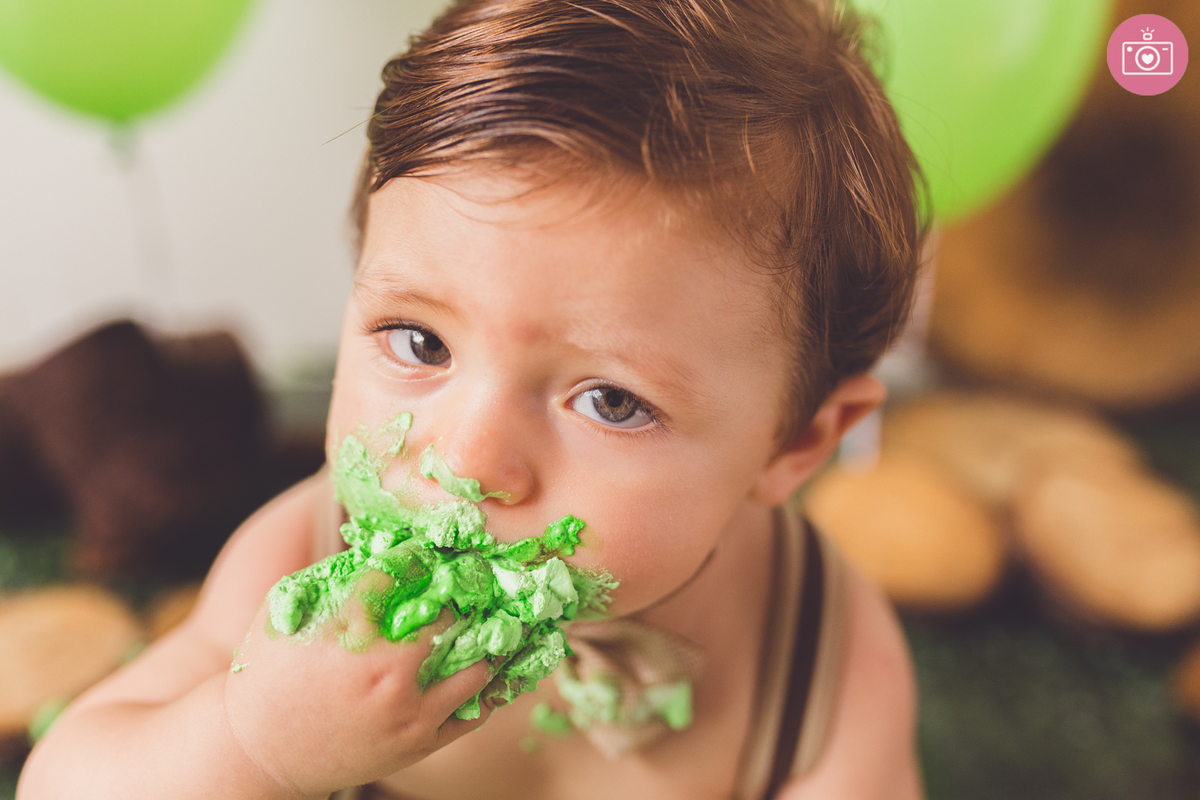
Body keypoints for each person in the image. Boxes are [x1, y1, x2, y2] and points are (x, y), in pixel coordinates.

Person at [18, 0, 928, 797]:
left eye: (611, 401)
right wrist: (252, 745)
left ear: (795, 444)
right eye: (421, 343)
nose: (465, 462)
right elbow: (66, 782)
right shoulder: (302, 560)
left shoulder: (826, 657)